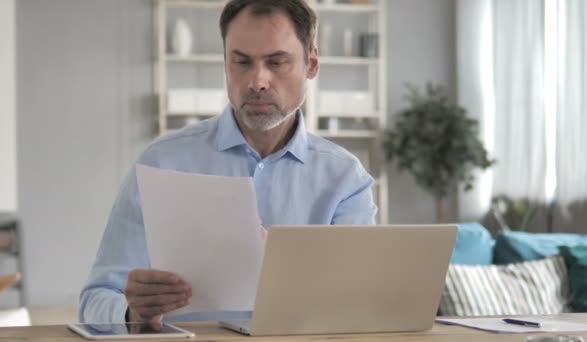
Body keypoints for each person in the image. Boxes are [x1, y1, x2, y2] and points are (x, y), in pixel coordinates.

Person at [79, 0, 377, 324]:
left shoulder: (346, 180)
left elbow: (360, 308)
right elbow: (96, 301)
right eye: (242, 62)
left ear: (312, 64)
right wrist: (131, 315)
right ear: (225, 63)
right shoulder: (161, 162)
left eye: (277, 62)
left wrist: (287, 269)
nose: (258, 81)